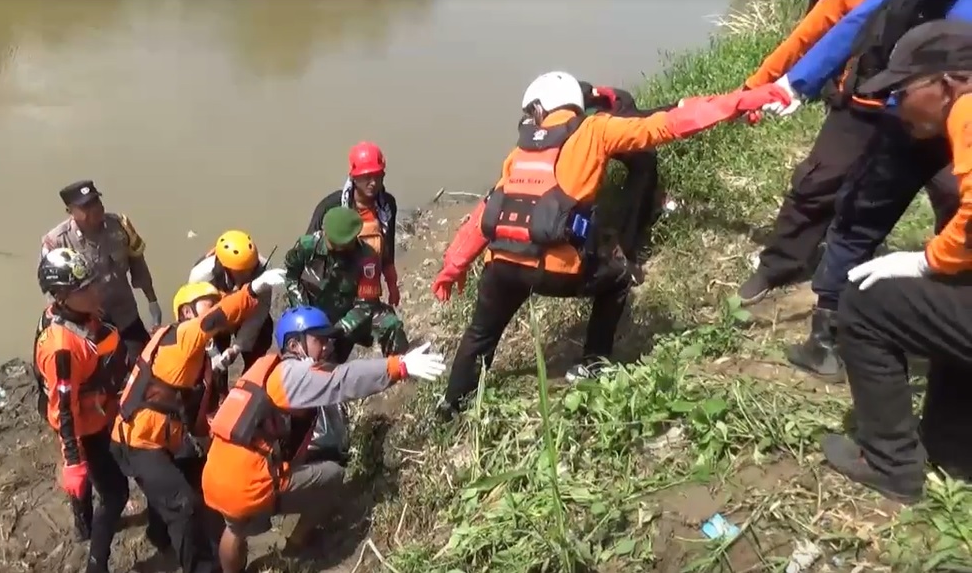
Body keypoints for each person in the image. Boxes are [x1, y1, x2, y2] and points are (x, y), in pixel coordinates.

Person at [430, 71, 791, 420]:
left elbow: (485, 212)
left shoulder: (518, 155)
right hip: (555, 270)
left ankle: (451, 404)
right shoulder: (595, 129)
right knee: (619, 279)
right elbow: (667, 124)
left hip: (502, 267)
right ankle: (593, 363)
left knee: (480, 334)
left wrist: (452, 268)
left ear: (539, 109)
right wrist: (741, 101)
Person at [753, 0, 972, 378]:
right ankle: (825, 334)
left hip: (938, 106)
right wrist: (794, 83)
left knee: (939, 211)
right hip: (911, 108)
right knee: (859, 210)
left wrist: (925, 261)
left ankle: (945, 321)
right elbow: (853, 20)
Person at [823, 19, 972, 503]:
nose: (894, 103)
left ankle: (891, 466)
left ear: (946, 84)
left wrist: (928, 261)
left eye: (902, 90)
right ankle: (952, 448)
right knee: (946, 296)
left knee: (866, 306)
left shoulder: (968, 109)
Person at [201, 307, 446, 573]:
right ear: (295, 344)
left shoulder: (264, 366)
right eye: (319, 339)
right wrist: (400, 365)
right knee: (332, 475)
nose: (328, 346)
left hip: (216, 476)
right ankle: (293, 544)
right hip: (247, 487)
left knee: (234, 529)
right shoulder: (295, 375)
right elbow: (344, 380)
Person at [109, 269, 286, 573]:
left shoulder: (193, 354)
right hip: (138, 442)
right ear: (188, 311)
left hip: (160, 436)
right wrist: (253, 290)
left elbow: (196, 409)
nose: (216, 306)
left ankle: (159, 534)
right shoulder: (184, 334)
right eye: (209, 303)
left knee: (189, 476)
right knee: (184, 506)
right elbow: (218, 318)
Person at [33, 247, 133, 573]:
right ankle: (96, 564)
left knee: (94, 480)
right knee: (116, 493)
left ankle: (84, 523)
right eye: (85, 288)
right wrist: (72, 461)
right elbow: (64, 408)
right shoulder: (63, 346)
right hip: (85, 424)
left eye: (92, 283)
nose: (95, 291)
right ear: (62, 296)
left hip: (99, 410)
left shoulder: (77, 315)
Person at [41, 180, 162, 363]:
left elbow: (138, 264)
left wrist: (152, 302)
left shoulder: (120, 225)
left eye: (96, 201)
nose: (95, 208)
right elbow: (52, 292)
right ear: (70, 211)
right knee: (107, 374)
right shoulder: (56, 243)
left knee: (146, 365)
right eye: (86, 206)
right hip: (90, 328)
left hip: (125, 314)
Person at [285, 206, 409, 363]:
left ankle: (399, 366)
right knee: (306, 356)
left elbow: (366, 305)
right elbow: (291, 277)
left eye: (341, 245)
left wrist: (340, 328)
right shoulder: (307, 246)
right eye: (331, 242)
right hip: (313, 309)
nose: (335, 248)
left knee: (390, 324)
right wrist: (303, 310)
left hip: (350, 314)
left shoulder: (367, 259)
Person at [578, 81, 673, 284]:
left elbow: (646, 122)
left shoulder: (620, 106)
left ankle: (627, 248)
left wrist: (679, 107)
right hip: (591, 136)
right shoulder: (561, 118)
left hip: (622, 136)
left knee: (645, 164)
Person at [307, 141, 402, 307]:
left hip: (368, 286)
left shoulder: (387, 206)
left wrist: (392, 285)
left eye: (378, 176)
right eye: (367, 177)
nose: (373, 182)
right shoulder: (331, 206)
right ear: (353, 177)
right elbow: (309, 250)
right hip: (335, 290)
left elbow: (387, 250)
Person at [188, 230, 282, 371]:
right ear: (226, 268)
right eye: (241, 270)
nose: (248, 274)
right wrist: (212, 351)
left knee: (261, 339)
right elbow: (197, 319)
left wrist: (236, 348)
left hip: (247, 313)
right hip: (216, 317)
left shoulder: (263, 273)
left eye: (250, 269)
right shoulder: (201, 275)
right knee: (213, 369)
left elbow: (257, 316)